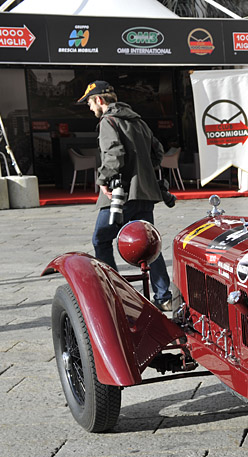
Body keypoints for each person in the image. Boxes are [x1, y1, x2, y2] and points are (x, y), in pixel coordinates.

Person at [77, 80, 172, 311]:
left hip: (122, 195)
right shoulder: (137, 121)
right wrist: (144, 172)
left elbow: (115, 156)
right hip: (146, 194)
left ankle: (116, 291)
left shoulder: (108, 121)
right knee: (149, 244)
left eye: (89, 102)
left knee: (101, 239)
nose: (90, 108)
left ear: (99, 100)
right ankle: (164, 295)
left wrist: (102, 181)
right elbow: (158, 152)